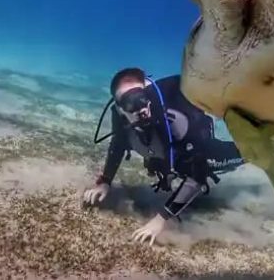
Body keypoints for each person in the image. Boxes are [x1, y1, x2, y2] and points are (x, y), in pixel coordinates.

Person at [82, 67, 245, 245]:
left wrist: (161, 219)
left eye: (142, 98)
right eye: (131, 103)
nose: (142, 109)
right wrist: (105, 182)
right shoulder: (120, 118)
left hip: (198, 148)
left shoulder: (174, 118)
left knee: (234, 155)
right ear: (120, 109)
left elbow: (198, 175)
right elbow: (118, 145)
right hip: (164, 154)